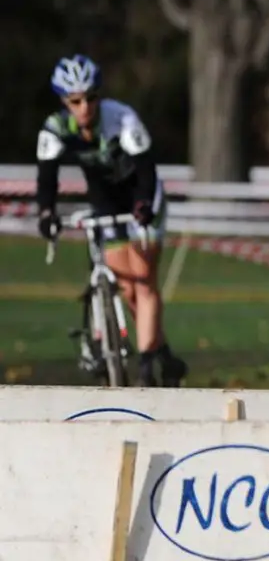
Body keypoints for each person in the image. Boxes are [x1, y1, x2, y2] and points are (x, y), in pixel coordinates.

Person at [35, 55, 187, 387]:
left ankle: (147, 367)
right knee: (128, 289)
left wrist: (145, 204)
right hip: (104, 202)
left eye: (91, 98)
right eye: (75, 101)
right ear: (64, 102)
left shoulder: (122, 118)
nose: (85, 106)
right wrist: (46, 214)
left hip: (142, 197)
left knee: (144, 279)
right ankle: (165, 356)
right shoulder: (55, 129)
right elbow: (47, 180)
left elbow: (146, 170)